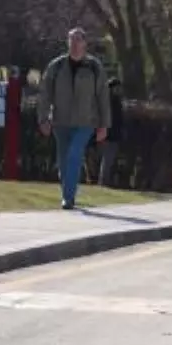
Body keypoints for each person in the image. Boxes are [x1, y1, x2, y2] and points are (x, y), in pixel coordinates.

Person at [37, 28, 111, 209]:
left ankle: (68, 198)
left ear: (85, 43)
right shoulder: (56, 66)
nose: (75, 45)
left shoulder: (94, 67)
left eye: (78, 41)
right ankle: (67, 193)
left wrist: (104, 125)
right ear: (67, 43)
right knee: (63, 160)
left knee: (74, 154)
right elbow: (45, 94)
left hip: (85, 122)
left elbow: (102, 96)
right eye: (72, 41)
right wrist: (43, 118)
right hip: (60, 122)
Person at [98, 78, 125, 187]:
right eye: (117, 87)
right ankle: (104, 180)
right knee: (108, 158)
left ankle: (106, 179)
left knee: (109, 159)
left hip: (113, 133)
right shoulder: (110, 101)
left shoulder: (114, 100)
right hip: (110, 134)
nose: (118, 90)